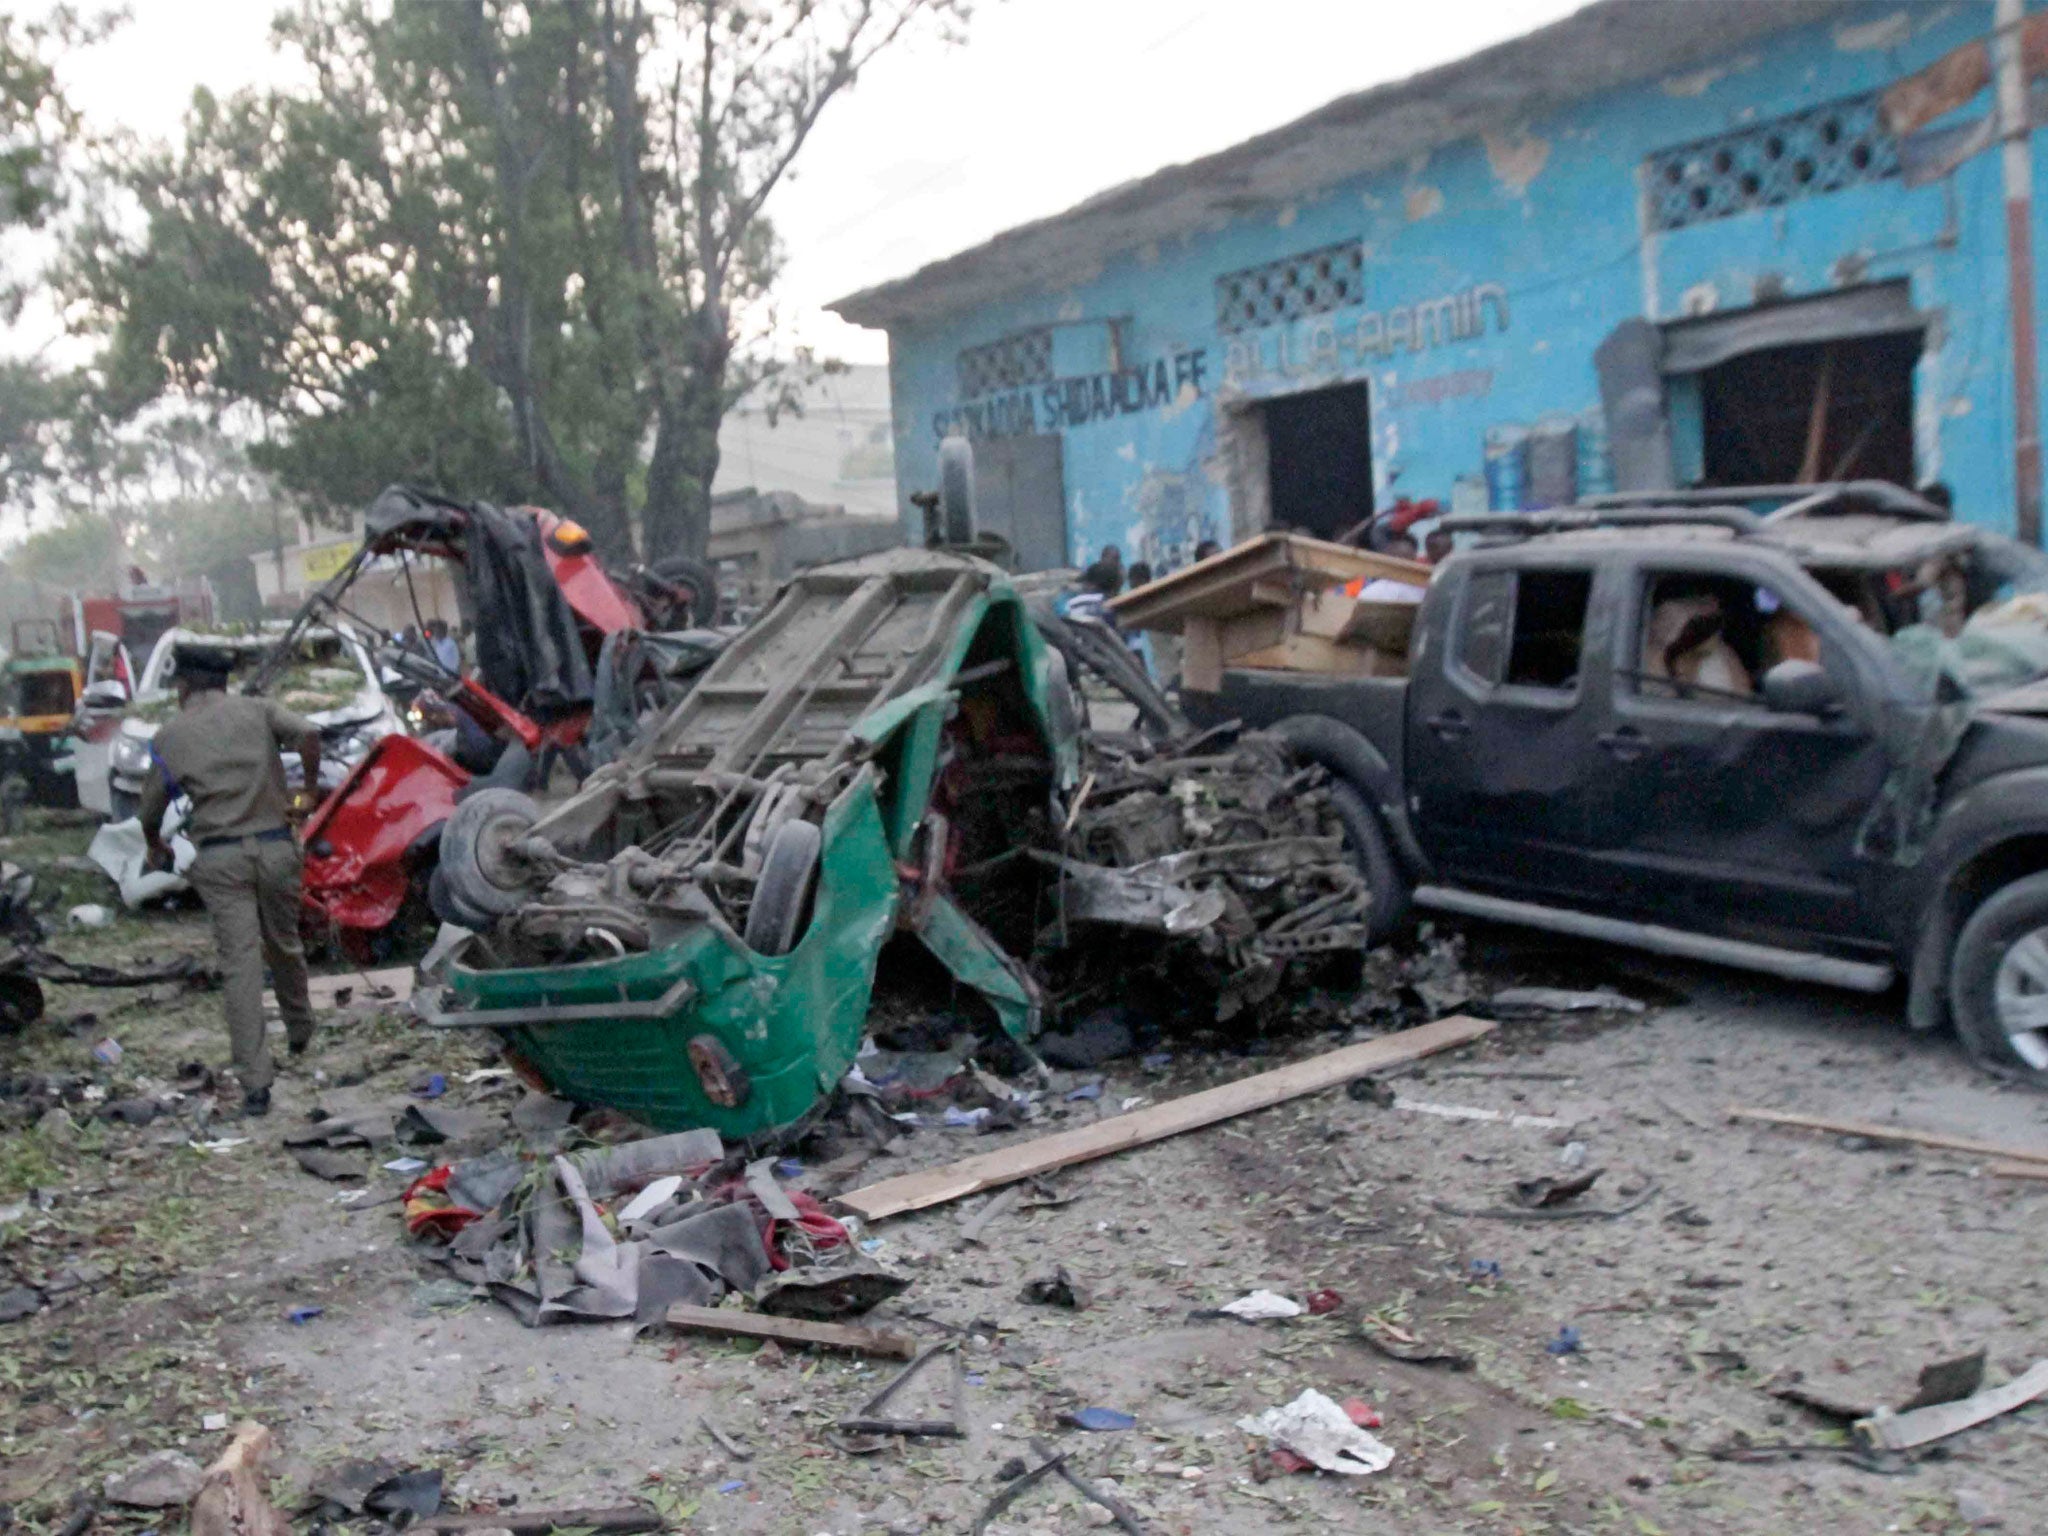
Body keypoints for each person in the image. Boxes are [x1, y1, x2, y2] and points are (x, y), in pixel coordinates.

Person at [140, 643, 321, 1117]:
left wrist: (154, 845)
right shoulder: (259, 711)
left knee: (239, 965)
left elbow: (150, 810)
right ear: (223, 682)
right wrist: (305, 796)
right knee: (284, 941)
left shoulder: (169, 736)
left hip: (220, 860)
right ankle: (301, 1030)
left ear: (182, 687)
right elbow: (309, 733)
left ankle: (256, 1085)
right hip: (277, 847)